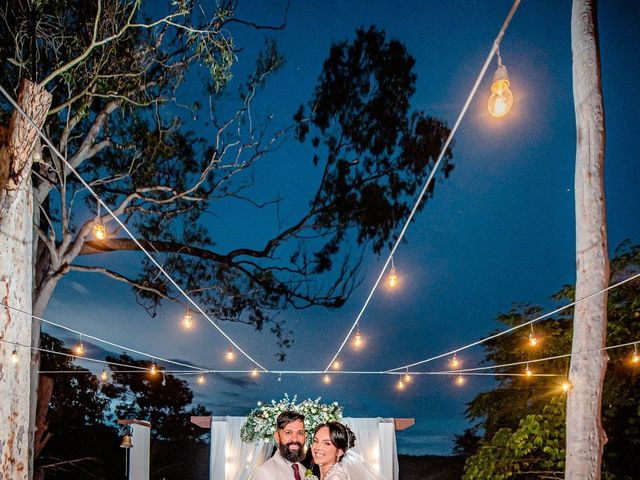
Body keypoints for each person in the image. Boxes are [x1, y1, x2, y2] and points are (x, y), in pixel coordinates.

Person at [311, 421, 388, 480]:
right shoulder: (328, 473)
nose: (317, 447)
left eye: (327, 443)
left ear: (339, 452)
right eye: (315, 441)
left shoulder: (337, 478)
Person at [250, 411, 307, 480]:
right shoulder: (263, 472)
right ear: (277, 436)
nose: (295, 439)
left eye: (300, 433)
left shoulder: (303, 470)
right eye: (288, 433)